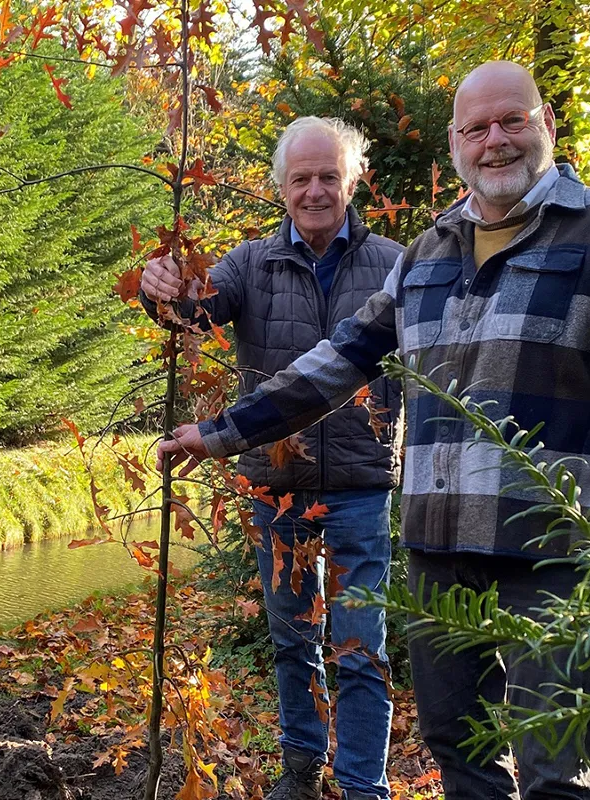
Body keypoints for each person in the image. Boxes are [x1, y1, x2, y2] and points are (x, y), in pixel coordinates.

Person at [160, 62, 590, 799]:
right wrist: (218, 433)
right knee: (460, 752)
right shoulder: (430, 251)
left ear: (547, 126)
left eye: (512, 121)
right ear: (455, 142)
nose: (495, 141)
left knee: (553, 768)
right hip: (438, 551)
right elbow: (335, 363)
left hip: (552, 554)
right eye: (477, 128)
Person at [142, 117, 404, 800]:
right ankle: (300, 772)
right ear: (282, 188)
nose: (315, 190)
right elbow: (195, 314)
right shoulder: (250, 263)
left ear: (351, 182)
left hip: (360, 483)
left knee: (361, 647)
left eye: (328, 177)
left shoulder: (396, 266)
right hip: (276, 487)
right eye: (302, 179)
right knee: (293, 640)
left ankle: (361, 787)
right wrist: (162, 289)